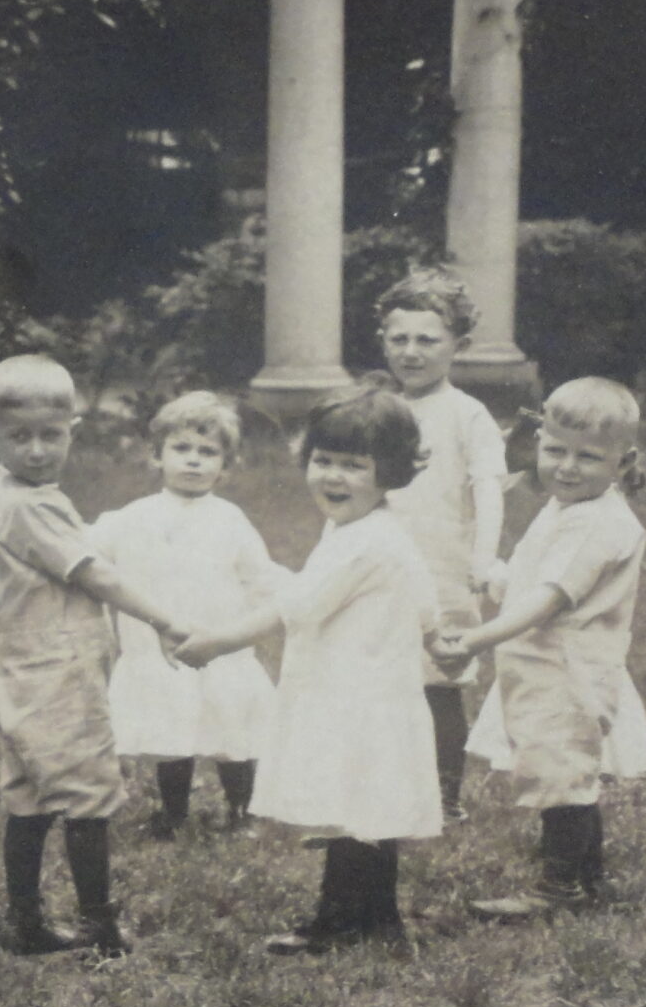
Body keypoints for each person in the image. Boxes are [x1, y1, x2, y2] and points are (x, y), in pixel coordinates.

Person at [177, 383, 441, 954]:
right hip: (363, 693)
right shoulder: (369, 530)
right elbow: (424, 603)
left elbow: (293, 608)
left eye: (353, 465)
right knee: (359, 812)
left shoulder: (365, 543)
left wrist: (217, 642)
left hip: (359, 698)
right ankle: (369, 921)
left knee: (357, 813)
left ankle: (351, 924)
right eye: (323, 461)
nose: (332, 477)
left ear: (389, 471)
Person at [0, 354, 194, 957]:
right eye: (19, 437)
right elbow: (95, 574)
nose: (37, 450)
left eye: (50, 435)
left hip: (15, 670)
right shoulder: (29, 504)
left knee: (30, 795)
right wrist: (164, 618)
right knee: (88, 798)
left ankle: (25, 920)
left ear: (73, 430)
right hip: (53, 674)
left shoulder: (3, 495)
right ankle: (100, 928)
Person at [437, 377, 646, 920]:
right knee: (568, 770)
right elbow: (537, 580)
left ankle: (559, 889)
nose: (567, 466)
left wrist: (475, 640)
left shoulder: (597, 523)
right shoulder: (569, 507)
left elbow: (551, 600)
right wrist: (498, 578)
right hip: (545, 665)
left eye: (588, 457)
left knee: (561, 776)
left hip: (565, 669)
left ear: (622, 461)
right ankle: (587, 875)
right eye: (555, 450)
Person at [90, 392, 275, 837]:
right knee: (171, 734)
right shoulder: (132, 518)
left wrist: (252, 622)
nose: (194, 461)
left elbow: (260, 578)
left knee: (231, 731)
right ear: (157, 455)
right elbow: (88, 554)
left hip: (218, 646)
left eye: (208, 453)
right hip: (160, 651)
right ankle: (173, 813)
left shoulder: (230, 519)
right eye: (182, 449)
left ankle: (242, 810)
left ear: (226, 466)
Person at [374, 269, 511, 819]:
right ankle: (386, 785)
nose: (411, 352)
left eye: (427, 340)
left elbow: (488, 486)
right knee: (379, 675)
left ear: (458, 346)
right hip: (383, 564)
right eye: (398, 338)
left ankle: (445, 797)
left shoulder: (466, 413)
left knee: (439, 681)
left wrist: (483, 555)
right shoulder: (381, 409)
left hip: (442, 566)